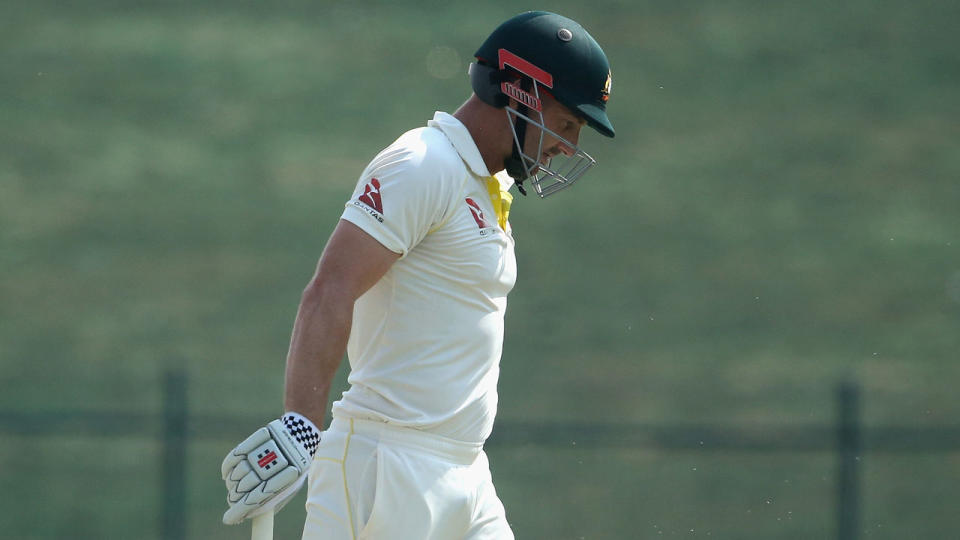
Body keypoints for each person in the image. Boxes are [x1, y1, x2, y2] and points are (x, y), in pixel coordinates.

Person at [221, 10, 615, 539]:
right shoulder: (423, 163)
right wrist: (300, 425)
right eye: (566, 123)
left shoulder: (484, 184)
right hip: (384, 468)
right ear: (520, 91)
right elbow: (329, 291)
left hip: (466, 471)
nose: (567, 145)